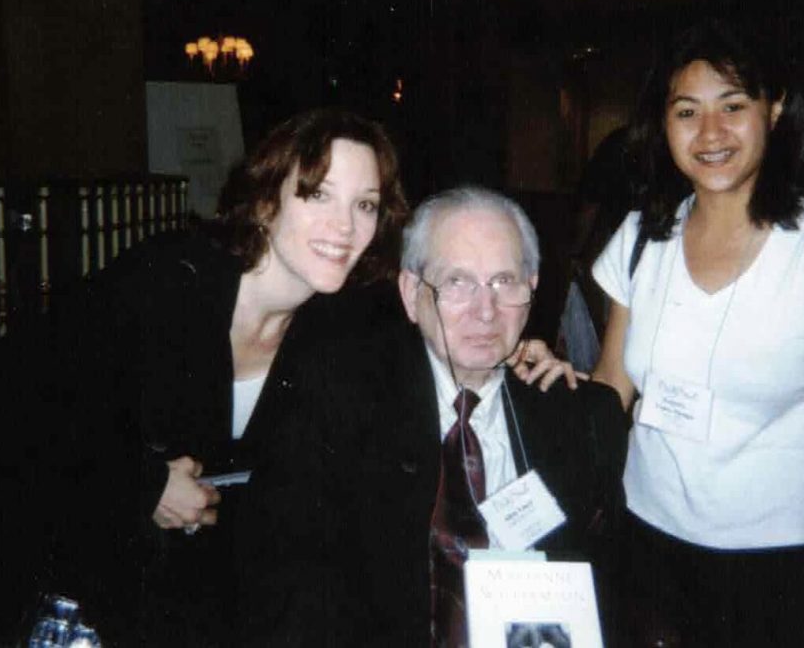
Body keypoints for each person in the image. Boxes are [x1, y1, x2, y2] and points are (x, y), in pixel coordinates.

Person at [590, 19, 804, 648]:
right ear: (664, 122)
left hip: (785, 564)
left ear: (776, 108)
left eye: (733, 106)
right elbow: (608, 392)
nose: (711, 133)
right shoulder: (638, 240)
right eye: (688, 111)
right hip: (648, 549)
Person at [45, 108, 408, 645]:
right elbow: (32, 407)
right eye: (318, 195)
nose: (345, 227)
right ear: (265, 201)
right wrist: (144, 484)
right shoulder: (166, 280)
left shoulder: (340, 325)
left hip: (216, 611)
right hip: (85, 593)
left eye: (365, 205)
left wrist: (514, 362)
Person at [235, 186, 627, 647]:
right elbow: (292, 586)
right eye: (457, 283)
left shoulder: (584, 418)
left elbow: (609, 591)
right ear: (410, 293)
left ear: (533, 287)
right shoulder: (339, 406)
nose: (485, 311)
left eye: (504, 281)